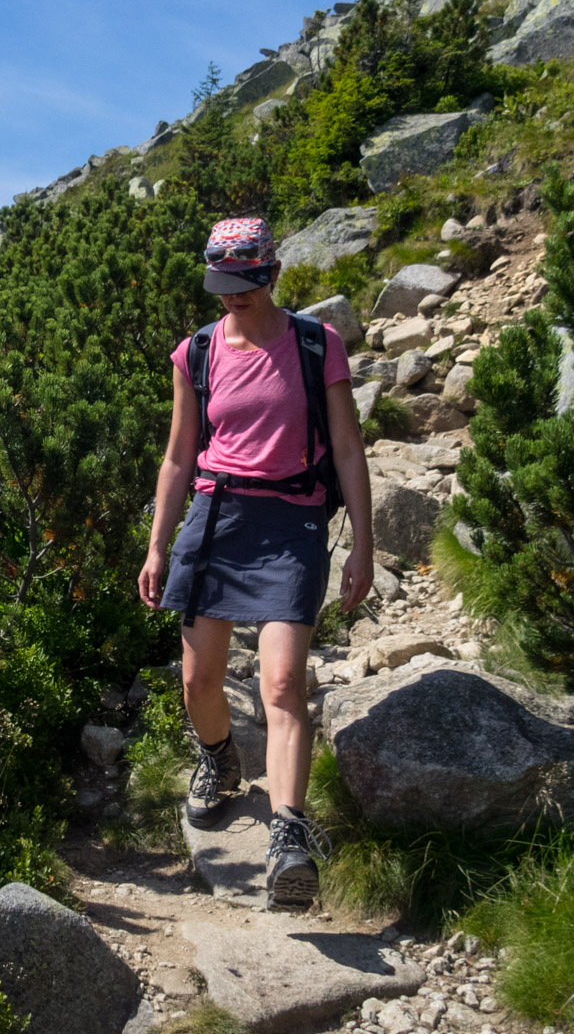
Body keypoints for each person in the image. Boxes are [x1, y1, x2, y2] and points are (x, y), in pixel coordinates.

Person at [138, 216, 374, 911]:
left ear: (271, 275)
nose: (231, 298)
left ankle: (289, 840)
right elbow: (180, 456)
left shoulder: (314, 343)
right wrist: (157, 544)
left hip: (292, 521)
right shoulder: (198, 353)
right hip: (215, 520)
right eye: (222, 286)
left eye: (243, 285)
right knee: (197, 682)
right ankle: (218, 758)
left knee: (281, 685)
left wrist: (362, 540)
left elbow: (350, 448)